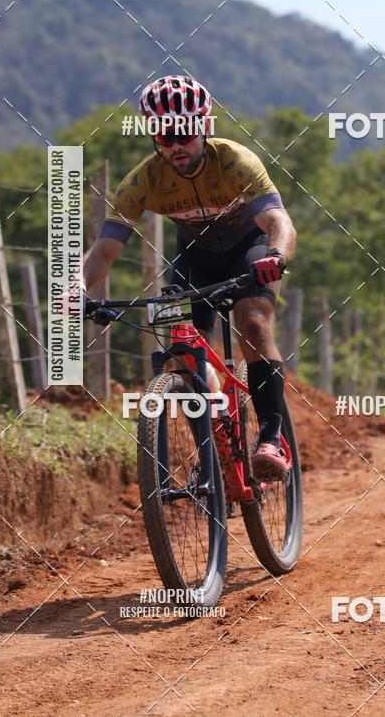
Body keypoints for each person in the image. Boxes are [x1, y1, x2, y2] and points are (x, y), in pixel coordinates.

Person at [83, 75, 296, 480]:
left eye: (183, 134)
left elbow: (279, 222)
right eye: (165, 138)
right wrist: (77, 287)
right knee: (181, 353)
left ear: (202, 127)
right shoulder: (143, 181)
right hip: (195, 258)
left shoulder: (234, 161)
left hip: (249, 251)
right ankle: (213, 451)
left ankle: (271, 437)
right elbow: (103, 250)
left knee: (252, 323)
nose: (176, 146)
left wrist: (276, 256)